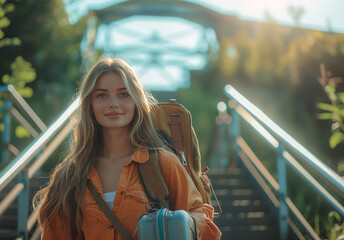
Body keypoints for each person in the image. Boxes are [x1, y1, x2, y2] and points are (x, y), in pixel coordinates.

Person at [34, 57, 221, 240]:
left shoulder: (162, 163)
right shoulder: (69, 177)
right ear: (90, 105)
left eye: (124, 94)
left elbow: (201, 220)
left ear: (136, 102)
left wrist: (180, 224)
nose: (113, 103)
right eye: (101, 95)